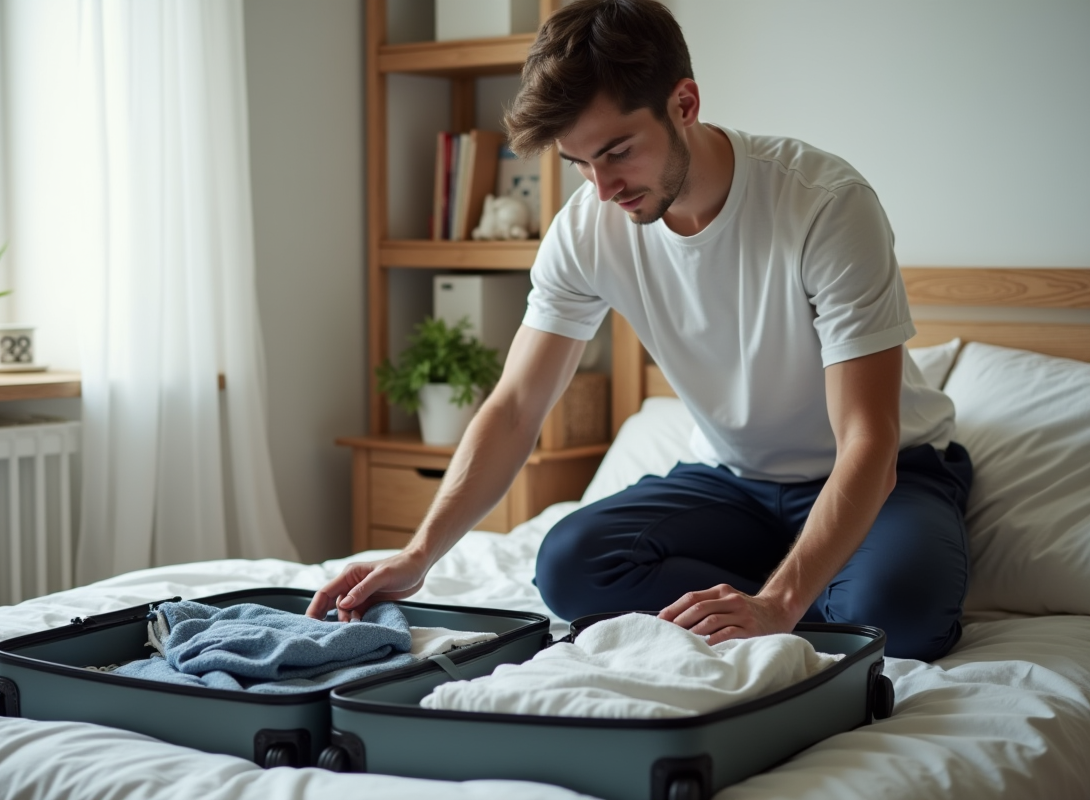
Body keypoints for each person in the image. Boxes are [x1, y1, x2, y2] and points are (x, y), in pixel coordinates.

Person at [308, 0, 972, 661]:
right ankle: (808, 587)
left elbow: (869, 440)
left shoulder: (824, 203)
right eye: (579, 163)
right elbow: (515, 407)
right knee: (570, 567)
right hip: (733, 482)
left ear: (684, 103)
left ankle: (802, 589)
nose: (602, 189)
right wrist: (421, 554)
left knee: (898, 615)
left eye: (617, 151)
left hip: (887, 474)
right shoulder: (587, 228)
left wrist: (777, 605)